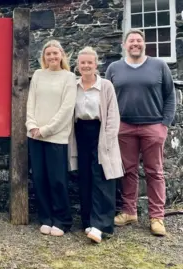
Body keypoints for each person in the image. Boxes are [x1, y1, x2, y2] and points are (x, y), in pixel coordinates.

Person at [106, 29, 176, 236]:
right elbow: (107, 98)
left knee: (155, 172)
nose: (135, 44)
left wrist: (164, 124)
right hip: (124, 126)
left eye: (138, 40)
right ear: (124, 44)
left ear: (144, 44)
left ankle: (157, 217)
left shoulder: (159, 66)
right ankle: (129, 211)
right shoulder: (114, 68)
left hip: (153, 126)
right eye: (131, 41)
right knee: (128, 170)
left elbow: (170, 96)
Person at [68, 47, 124, 243]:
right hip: (80, 134)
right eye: (82, 62)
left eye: (89, 62)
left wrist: (107, 141)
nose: (86, 66)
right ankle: (88, 222)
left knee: (102, 178)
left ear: (96, 64)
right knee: (85, 178)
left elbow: (113, 116)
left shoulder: (106, 86)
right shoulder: (73, 86)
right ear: (77, 65)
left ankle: (102, 225)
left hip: (100, 134)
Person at [26, 40, 76, 236]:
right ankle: (45, 217)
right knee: (39, 178)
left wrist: (46, 129)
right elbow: (30, 102)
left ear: (62, 55)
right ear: (44, 57)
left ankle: (62, 220)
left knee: (57, 180)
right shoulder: (38, 75)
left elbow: (66, 109)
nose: (52, 57)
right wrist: (32, 126)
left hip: (56, 137)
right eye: (49, 54)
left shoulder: (69, 77)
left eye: (56, 53)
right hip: (35, 135)